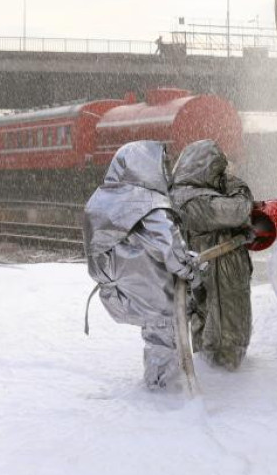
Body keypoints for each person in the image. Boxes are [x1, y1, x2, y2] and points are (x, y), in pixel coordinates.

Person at [82, 140, 197, 390]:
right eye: (163, 165)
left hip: (115, 291)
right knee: (164, 338)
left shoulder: (99, 201)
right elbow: (171, 249)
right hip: (154, 293)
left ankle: (160, 385)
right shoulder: (149, 204)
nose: (167, 171)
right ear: (146, 167)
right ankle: (162, 391)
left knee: (155, 334)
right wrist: (190, 269)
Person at [171, 139, 255, 371]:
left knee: (206, 317)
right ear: (207, 168)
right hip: (220, 288)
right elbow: (239, 211)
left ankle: (216, 367)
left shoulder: (186, 195)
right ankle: (225, 375)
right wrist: (237, 186)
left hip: (210, 281)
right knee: (224, 336)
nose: (222, 176)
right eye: (219, 171)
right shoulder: (195, 200)